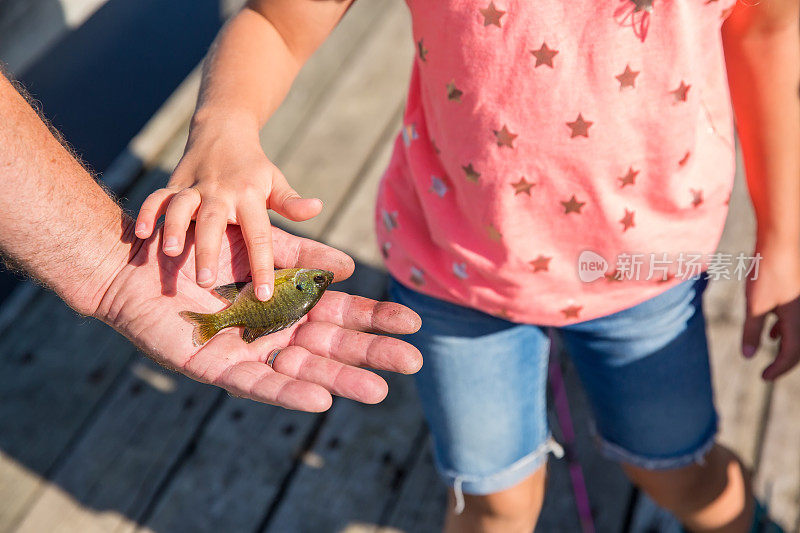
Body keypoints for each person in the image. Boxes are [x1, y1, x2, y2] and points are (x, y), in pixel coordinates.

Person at [136, 0, 800, 531]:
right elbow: (279, 22)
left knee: (681, 472)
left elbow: (766, 34)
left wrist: (785, 236)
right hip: (452, 270)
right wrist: (225, 123)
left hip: (649, 273)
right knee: (496, 502)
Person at [0, 70, 422, 412]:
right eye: (314, 282)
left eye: (313, 282)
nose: (314, 278)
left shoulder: (290, 283)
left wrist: (112, 264)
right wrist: (222, 126)